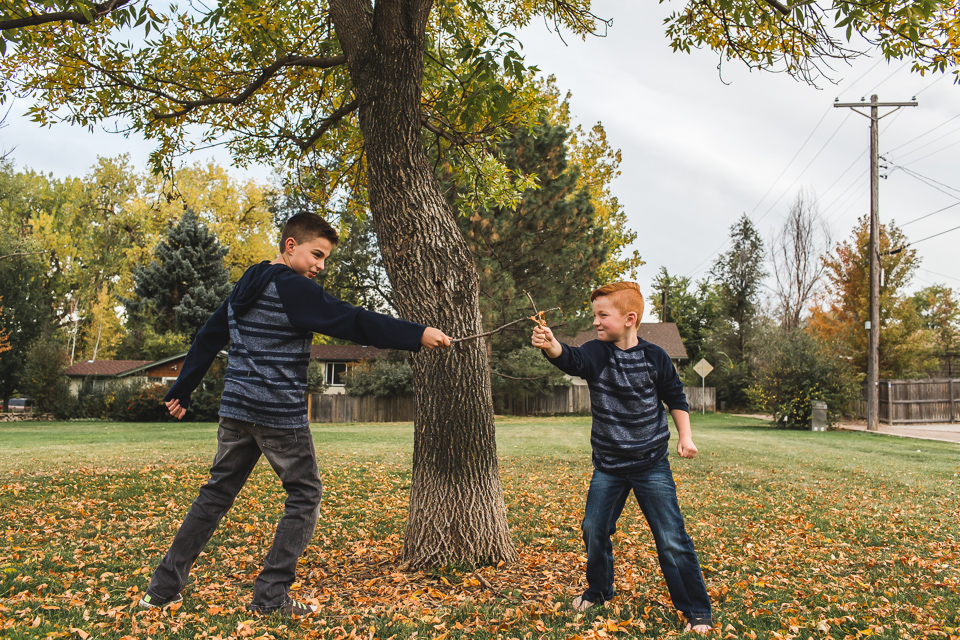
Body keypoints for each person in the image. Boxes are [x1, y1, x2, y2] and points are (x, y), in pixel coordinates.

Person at [138, 212, 451, 617]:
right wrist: (416, 334)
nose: (320, 266)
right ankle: (270, 596)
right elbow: (352, 319)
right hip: (276, 413)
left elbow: (209, 335)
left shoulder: (247, 284)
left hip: (236, 410)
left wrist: (181, 387)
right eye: (316, 255)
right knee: (305, 494)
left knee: (215, 495)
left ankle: (162, 589)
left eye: (324, 259)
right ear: (291, 246)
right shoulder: (292, 287)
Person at [531, 281, 712, 634]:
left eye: (603, 315)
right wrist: (552, 345)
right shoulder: (597, 353)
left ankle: (697, 610)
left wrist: (686, 437)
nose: (596, 322)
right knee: (594, 528)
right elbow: (572, 358)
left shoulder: (655, 357)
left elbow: (676, 398)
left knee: (671, 537)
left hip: (651, 463)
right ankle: (598, 591)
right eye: (594, 314)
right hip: (610, 466)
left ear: (630, 319)